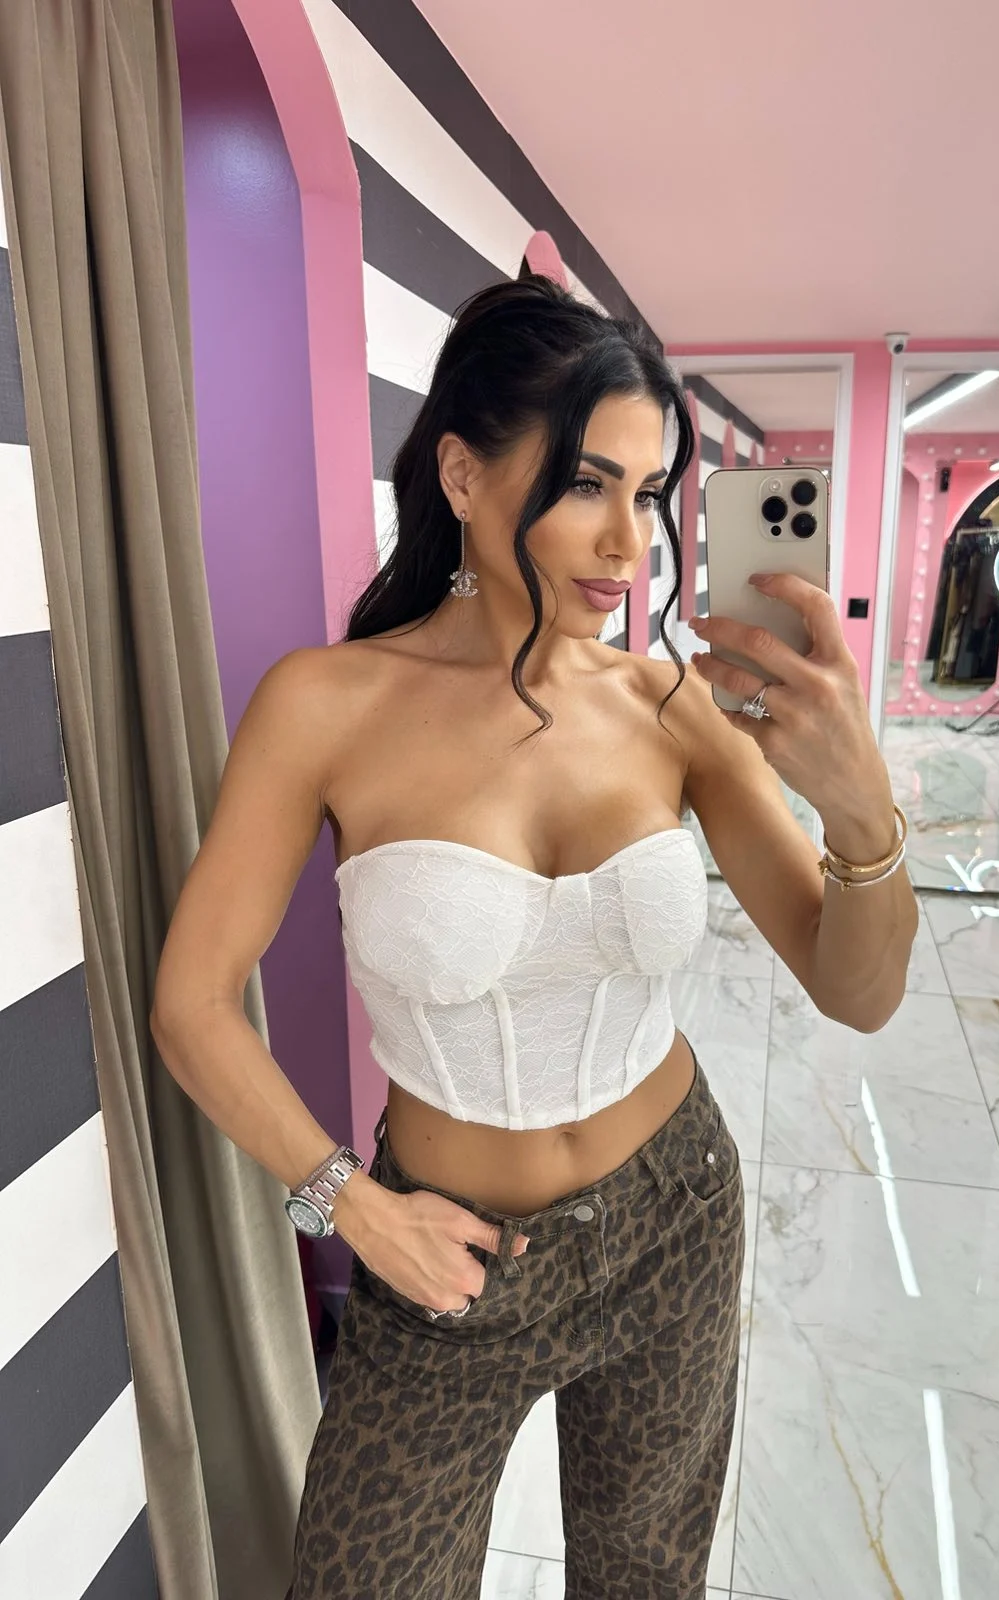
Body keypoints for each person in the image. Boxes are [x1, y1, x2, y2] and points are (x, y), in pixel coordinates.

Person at [150, 276, 918, 1600]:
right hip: (442, 1256)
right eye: (583, 483)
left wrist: (861, 812)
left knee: (643, 1581)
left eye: (649, 492)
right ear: (462, 473)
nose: (627, 540)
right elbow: (193, 1003)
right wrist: (349, 1208)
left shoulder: (673, 708)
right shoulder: (326, 705)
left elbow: (857, 990)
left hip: (674, 1211)